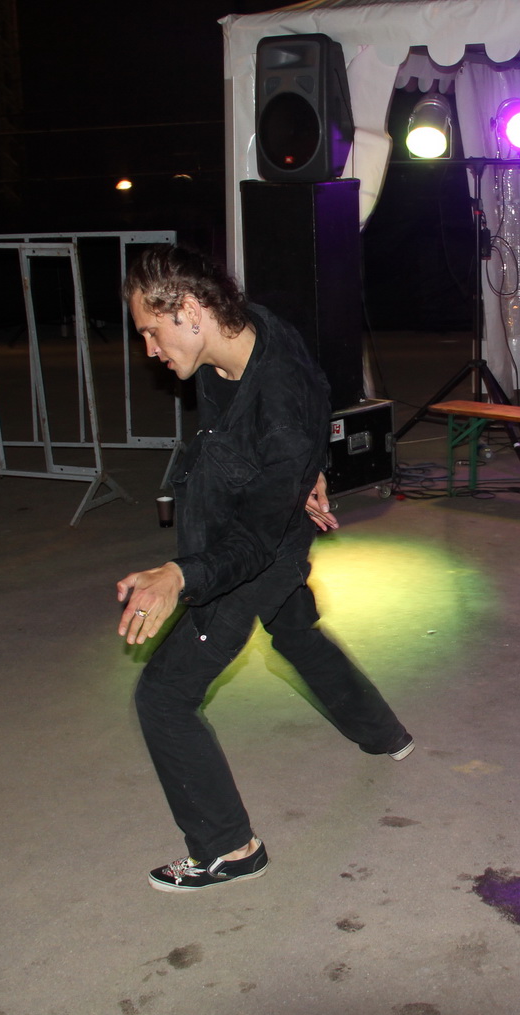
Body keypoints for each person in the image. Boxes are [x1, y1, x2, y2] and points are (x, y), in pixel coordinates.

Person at [114, 246, 413, 894]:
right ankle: (384, 733)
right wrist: (306, 469)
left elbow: (253, 540)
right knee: (295, 631)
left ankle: (229, 847)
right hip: (258, 521)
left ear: (189, 310)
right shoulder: (247, 330)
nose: (149, 350)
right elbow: (308, 396)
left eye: (152, 331)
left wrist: (180, 574)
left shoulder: (278, 400)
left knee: (163, 696)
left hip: (250, 556)